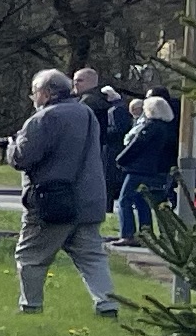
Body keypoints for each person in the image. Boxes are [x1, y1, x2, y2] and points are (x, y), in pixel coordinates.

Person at [9, 66, 122, 315]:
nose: (33, 98)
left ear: (47, 93)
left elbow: (22, 158)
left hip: (52, 201)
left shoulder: (43, 119)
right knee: (92, 257)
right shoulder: (86, 113)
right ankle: (107, 303)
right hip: (89, 199)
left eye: (34, 92)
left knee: (31, 256)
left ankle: (31, 306)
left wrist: (11, 145)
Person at [114, 91, 180, 244]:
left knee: (125, 200)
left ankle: (127, 234)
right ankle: (147, 234)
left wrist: (120, 160)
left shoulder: (150, 127)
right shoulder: (164, 127)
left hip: (138, 168)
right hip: (151, 169)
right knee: (141, 200)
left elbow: (136, 146)